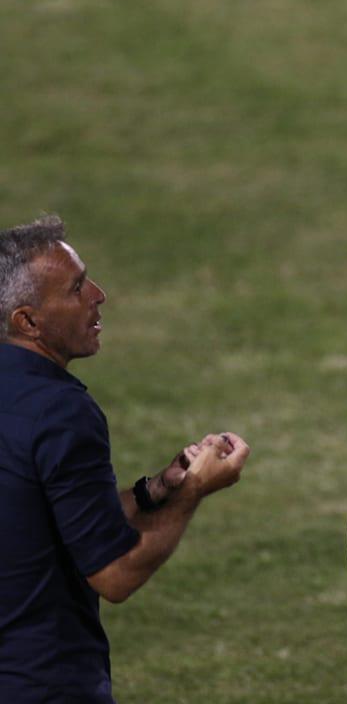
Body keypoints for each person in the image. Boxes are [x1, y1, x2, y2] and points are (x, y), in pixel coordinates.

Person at [0, 215, 251, 703]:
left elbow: (44, 520)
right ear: (27, 321)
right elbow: (115, 574)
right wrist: (196, 489)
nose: (98, 294)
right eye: (75, 288)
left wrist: (154, 492)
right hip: (42, 682)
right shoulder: (59, 412)